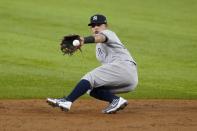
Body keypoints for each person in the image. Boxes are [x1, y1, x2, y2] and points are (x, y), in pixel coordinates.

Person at [47, 14, 138, 114]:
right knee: (91, 88)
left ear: (106, 25)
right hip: (129, 78)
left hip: (123, 67)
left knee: (89, 77)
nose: (96, 27)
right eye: (93, 25)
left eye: (99, 24)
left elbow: (101, 37)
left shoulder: (108, 33)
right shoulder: (99, 47)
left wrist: (83, 40)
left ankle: (67, 101)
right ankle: (115, 100)